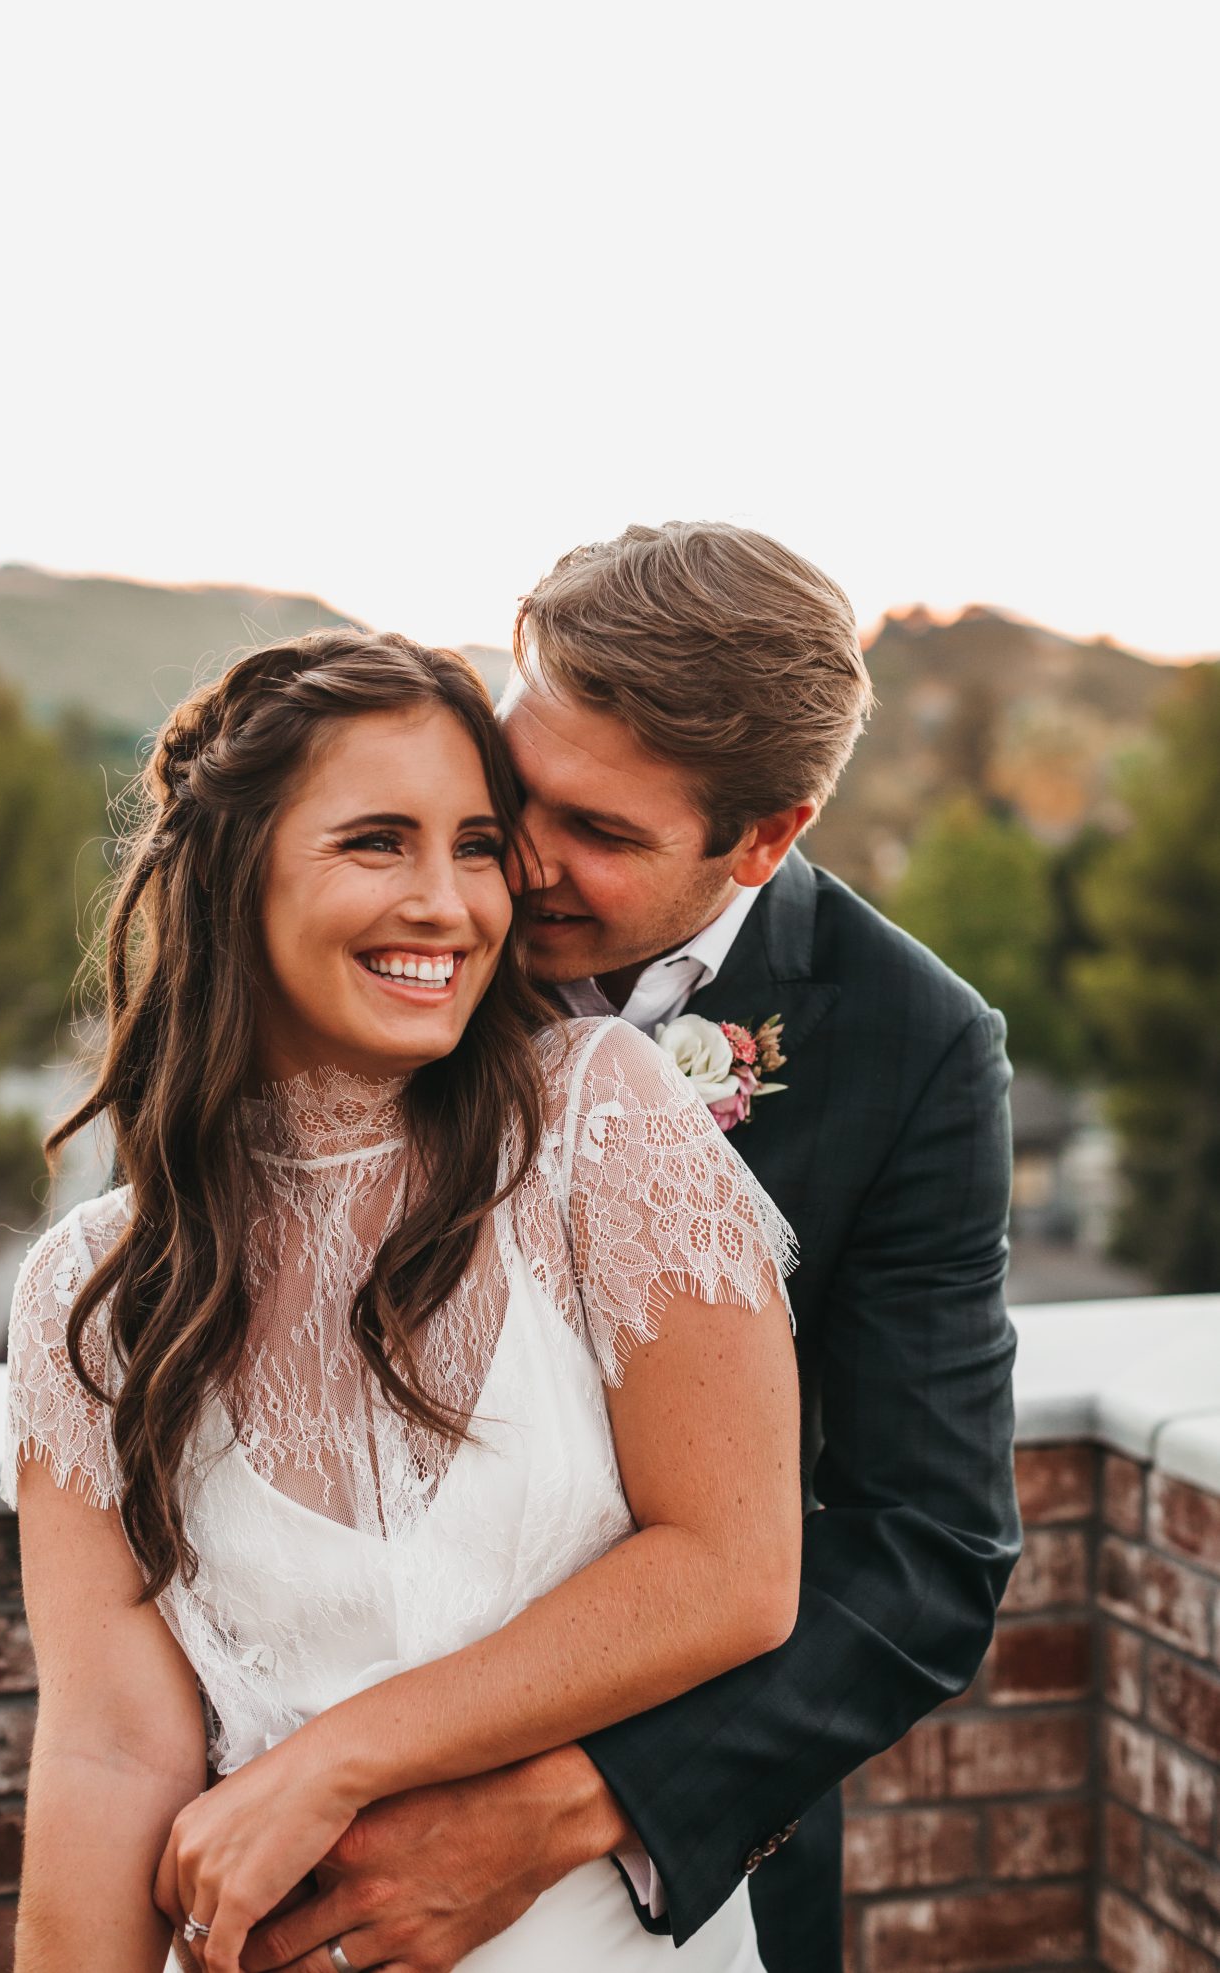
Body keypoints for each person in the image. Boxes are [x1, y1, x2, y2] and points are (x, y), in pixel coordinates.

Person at [252, 525, 1021, 1973]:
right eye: (520, 788)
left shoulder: (911, 1045)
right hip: (283, 1794)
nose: (516, 865)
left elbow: (926, 1547)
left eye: (602, 835)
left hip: (662, 1880)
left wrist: (561, 1809)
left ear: (767, 835)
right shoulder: (395, 919)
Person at [2, 629, 802, 1973]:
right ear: (232, 873)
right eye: (379, 841)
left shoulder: (599, 1126)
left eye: (478, 846)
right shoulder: (89, 1295)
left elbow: (732, 1571)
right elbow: (107, 1749)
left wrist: (331, 1762)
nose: (449, 902)